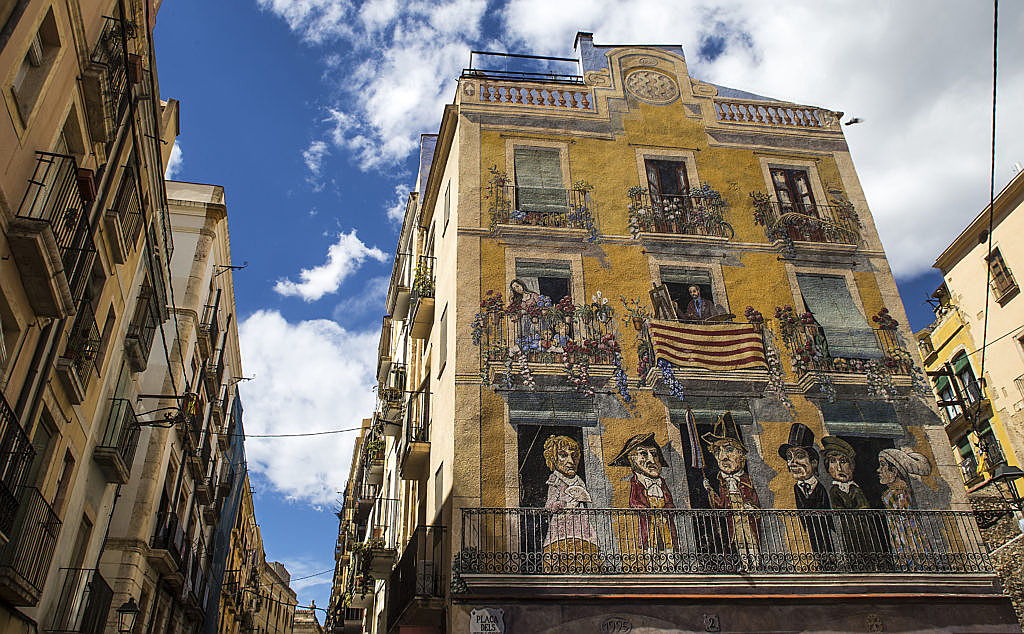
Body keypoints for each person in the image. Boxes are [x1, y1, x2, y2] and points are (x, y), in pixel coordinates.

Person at [701, 413, 761, 569]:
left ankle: (756, 565)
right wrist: (710, 491)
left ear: (741, 455)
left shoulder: (747, 480)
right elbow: (720, 504)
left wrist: (751, 507)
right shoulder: (722, 483)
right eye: (717, 452)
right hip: (733, 519)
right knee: (739, 541)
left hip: (747, 518)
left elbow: (754, 499)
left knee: (751, 540)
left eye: (728, 450)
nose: (723, 457)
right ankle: (745, 565)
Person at [821, 436, 885, 569]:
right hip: (846, 531)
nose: (839, 468)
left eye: (843, 461)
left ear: (852, 466)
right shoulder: (834, 491)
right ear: (828, 468)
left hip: (864, 529)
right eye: (833, 462)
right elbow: (837, 509)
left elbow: (864, 507)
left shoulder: (855, 488)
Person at [609, 433, 677, 553]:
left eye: (654, 454)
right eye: (644, 454)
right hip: (649, 519)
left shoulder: (662, 482)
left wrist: (667, 510)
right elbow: (634, 501)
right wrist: (648, 511)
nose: (651, 460)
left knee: (668, 541)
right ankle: (651, 560)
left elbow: (669, 501)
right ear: (633, 460)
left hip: (663, 519)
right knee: (651, 540)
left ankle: (670, 559)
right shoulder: (636, 482)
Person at [779, 423, 835, 566]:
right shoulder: (792, 491)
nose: (793, 463)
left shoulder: (822, 489)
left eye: (799, 456)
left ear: (814, 463)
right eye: (789, 457)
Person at [542, 435, 599, 572]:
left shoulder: (579, 481)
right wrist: (560, 504)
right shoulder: (555, 479)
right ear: (553, 459)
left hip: (581, 524)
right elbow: (549, 504)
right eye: (563, 455)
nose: (570, 461)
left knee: (585, 554)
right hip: (562, 523)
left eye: (574, 456)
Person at [878, 448, 933, 569]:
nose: (879, 470)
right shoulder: (895, 490)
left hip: (905, 529)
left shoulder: (901, 491)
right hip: (897, 529)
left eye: (883, 466)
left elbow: (903, 512)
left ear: (894, 470)